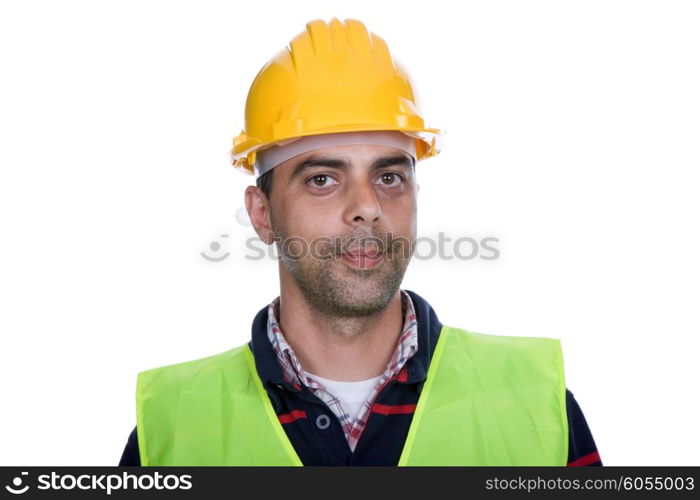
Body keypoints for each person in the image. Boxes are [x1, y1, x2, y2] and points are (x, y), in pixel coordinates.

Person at [119, 17, 601, 466]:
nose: (367, 205)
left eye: (389, 176)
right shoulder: (172, 427)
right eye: (323, 179)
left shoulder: (535, 400)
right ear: (262, 214)